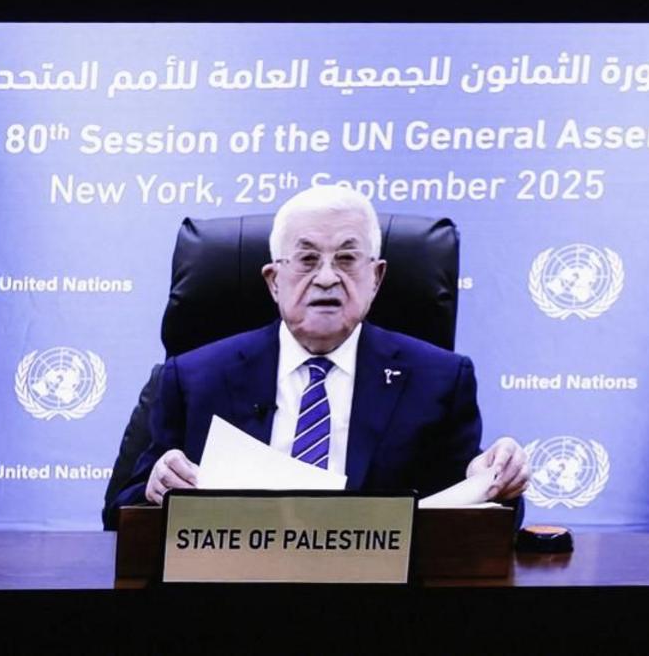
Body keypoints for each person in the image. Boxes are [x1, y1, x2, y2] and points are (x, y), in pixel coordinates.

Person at [110, 185, 529, 512]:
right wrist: (155, 487)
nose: (327, 278)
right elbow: (121, 513)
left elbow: (476, 518)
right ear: (274, 280)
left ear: (376, 278)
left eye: (347, 259)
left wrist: (494, 481)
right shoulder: (194, 379)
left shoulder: (440, 380)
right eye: (307, 260)